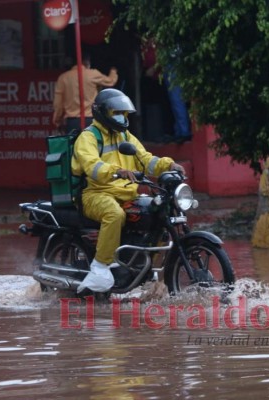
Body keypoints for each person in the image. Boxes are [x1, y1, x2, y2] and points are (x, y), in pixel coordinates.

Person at [72, 88, 186, 293]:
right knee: (114, 214)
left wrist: (168, 165)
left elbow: (146, 160)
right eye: (116, 113)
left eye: (124, 113)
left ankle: (136, 263)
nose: (122, 117)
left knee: (153, 211)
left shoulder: (125, 135)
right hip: (95, 194)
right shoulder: (88, 137)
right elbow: (92, 167)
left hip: (125, 194)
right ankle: (100, 267)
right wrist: (118, 171)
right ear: (102, 112)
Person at [52, 53, 118, 134]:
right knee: (91, 145)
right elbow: (111, 81)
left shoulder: (63, 78)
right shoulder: (93, 74)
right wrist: (113, 69)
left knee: (75, 146)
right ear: (87, 62)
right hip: (90, 120)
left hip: (72, 122)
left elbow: (58, 104)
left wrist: (57, 121)